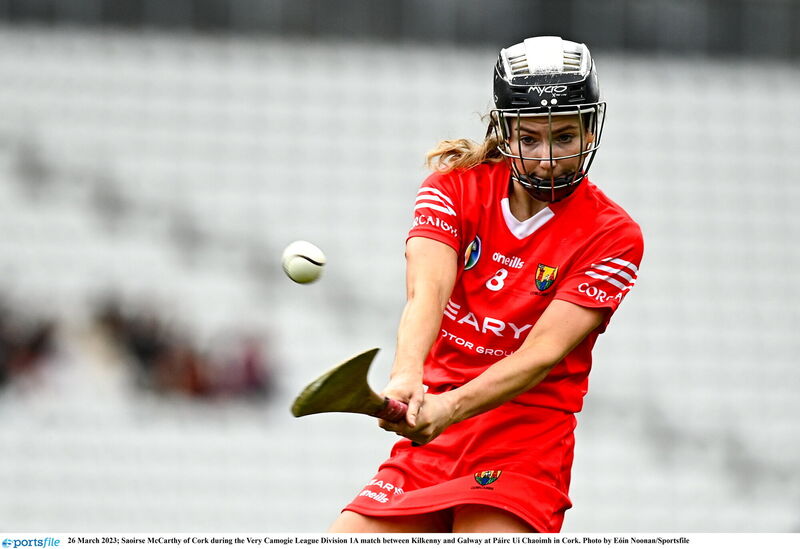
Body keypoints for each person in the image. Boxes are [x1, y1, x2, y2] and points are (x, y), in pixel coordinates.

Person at [329, 36, 644, 533]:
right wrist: (408, 376)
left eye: (563, 137)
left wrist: (449, 407)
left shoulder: (614, 235)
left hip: (525, 444)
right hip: (434, 436)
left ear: (589, 129)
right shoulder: (453, 187)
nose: (546, 158)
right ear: (504, 130)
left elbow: (541, 354)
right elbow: (426, 292)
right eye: (530, 138)